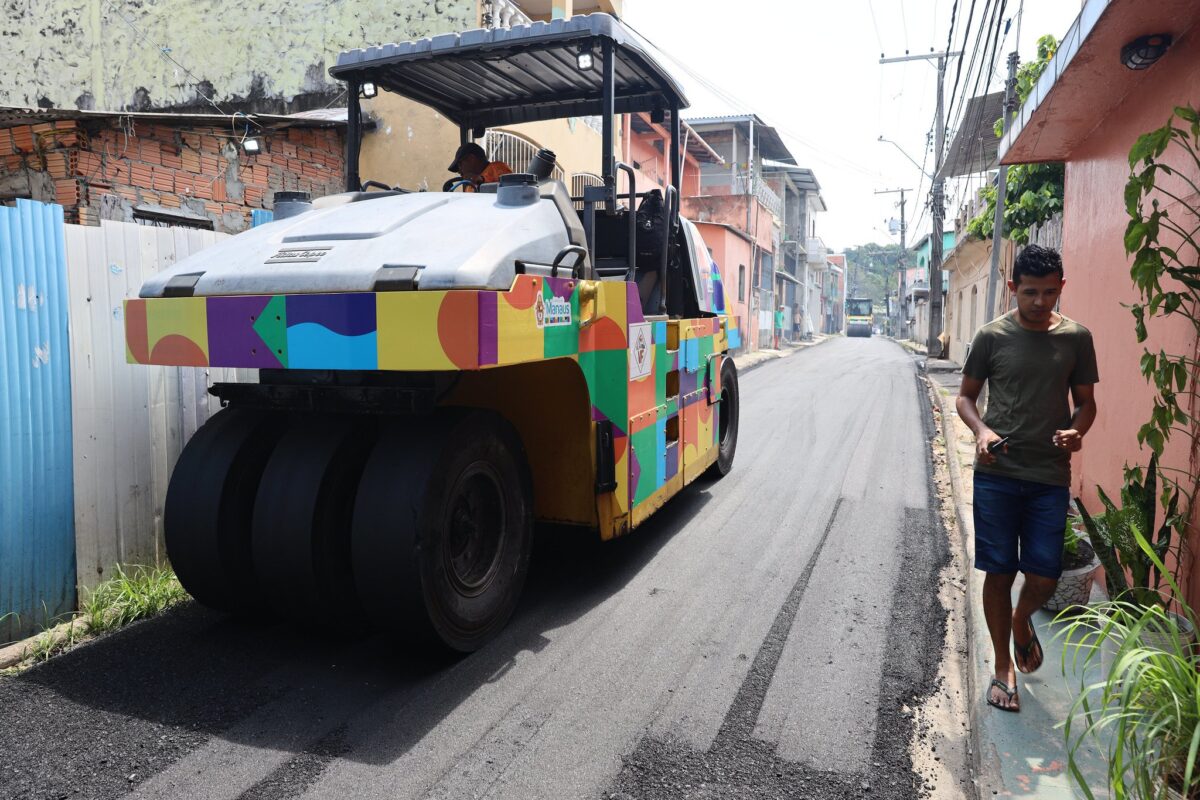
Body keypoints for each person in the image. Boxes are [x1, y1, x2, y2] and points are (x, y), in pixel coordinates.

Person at [956, 244, 1098, 713]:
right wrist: (981, 431)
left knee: (1043, 574)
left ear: (1062, 288)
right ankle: (1003, 668)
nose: (1040, 302)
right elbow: (965, 399)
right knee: (999, 570)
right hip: (997, 473)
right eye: (1031, 292)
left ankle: (1021, 621)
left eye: (1050, 293)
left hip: (1049, 475)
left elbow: (1086, 403)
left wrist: (1076, 432)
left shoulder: (1076, 338)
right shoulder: (990, 337)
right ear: (1013, 288)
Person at [447, 142, 511, 190]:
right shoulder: (470, 185)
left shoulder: (498, 168)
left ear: (471, 159)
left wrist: (481, 180)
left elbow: (506, 188)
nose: (459, 171)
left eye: (460, 165)